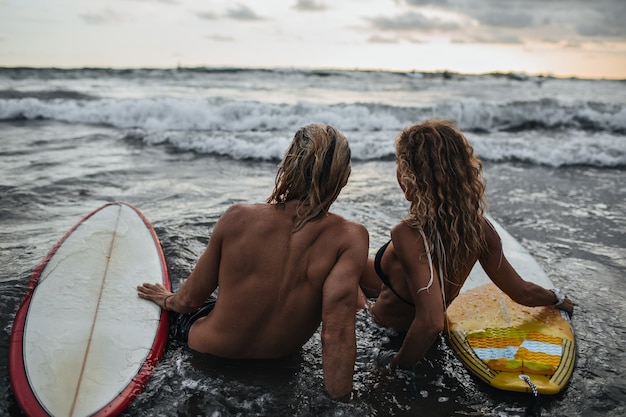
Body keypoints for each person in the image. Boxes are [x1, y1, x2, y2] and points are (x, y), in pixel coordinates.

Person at [138, 123, 369, 401]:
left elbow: (188, 301)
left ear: (288, 165)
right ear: (343, 178)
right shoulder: (351, 237)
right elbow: (337, 332)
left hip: (207, 349)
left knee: (197, 302)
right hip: (278, 359)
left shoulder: (237, 217)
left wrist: (166, 300)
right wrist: (341, 401)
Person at [359, 120, 574, 371]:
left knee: (342, 265)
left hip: (385, 335)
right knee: (349, 260)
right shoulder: (480, 230)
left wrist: (394, 369)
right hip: (407, 315)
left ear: (409, 175)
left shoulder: (408, 234)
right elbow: (523, 292)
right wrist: (557, 298)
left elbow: (431, 323)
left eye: (399, 164)